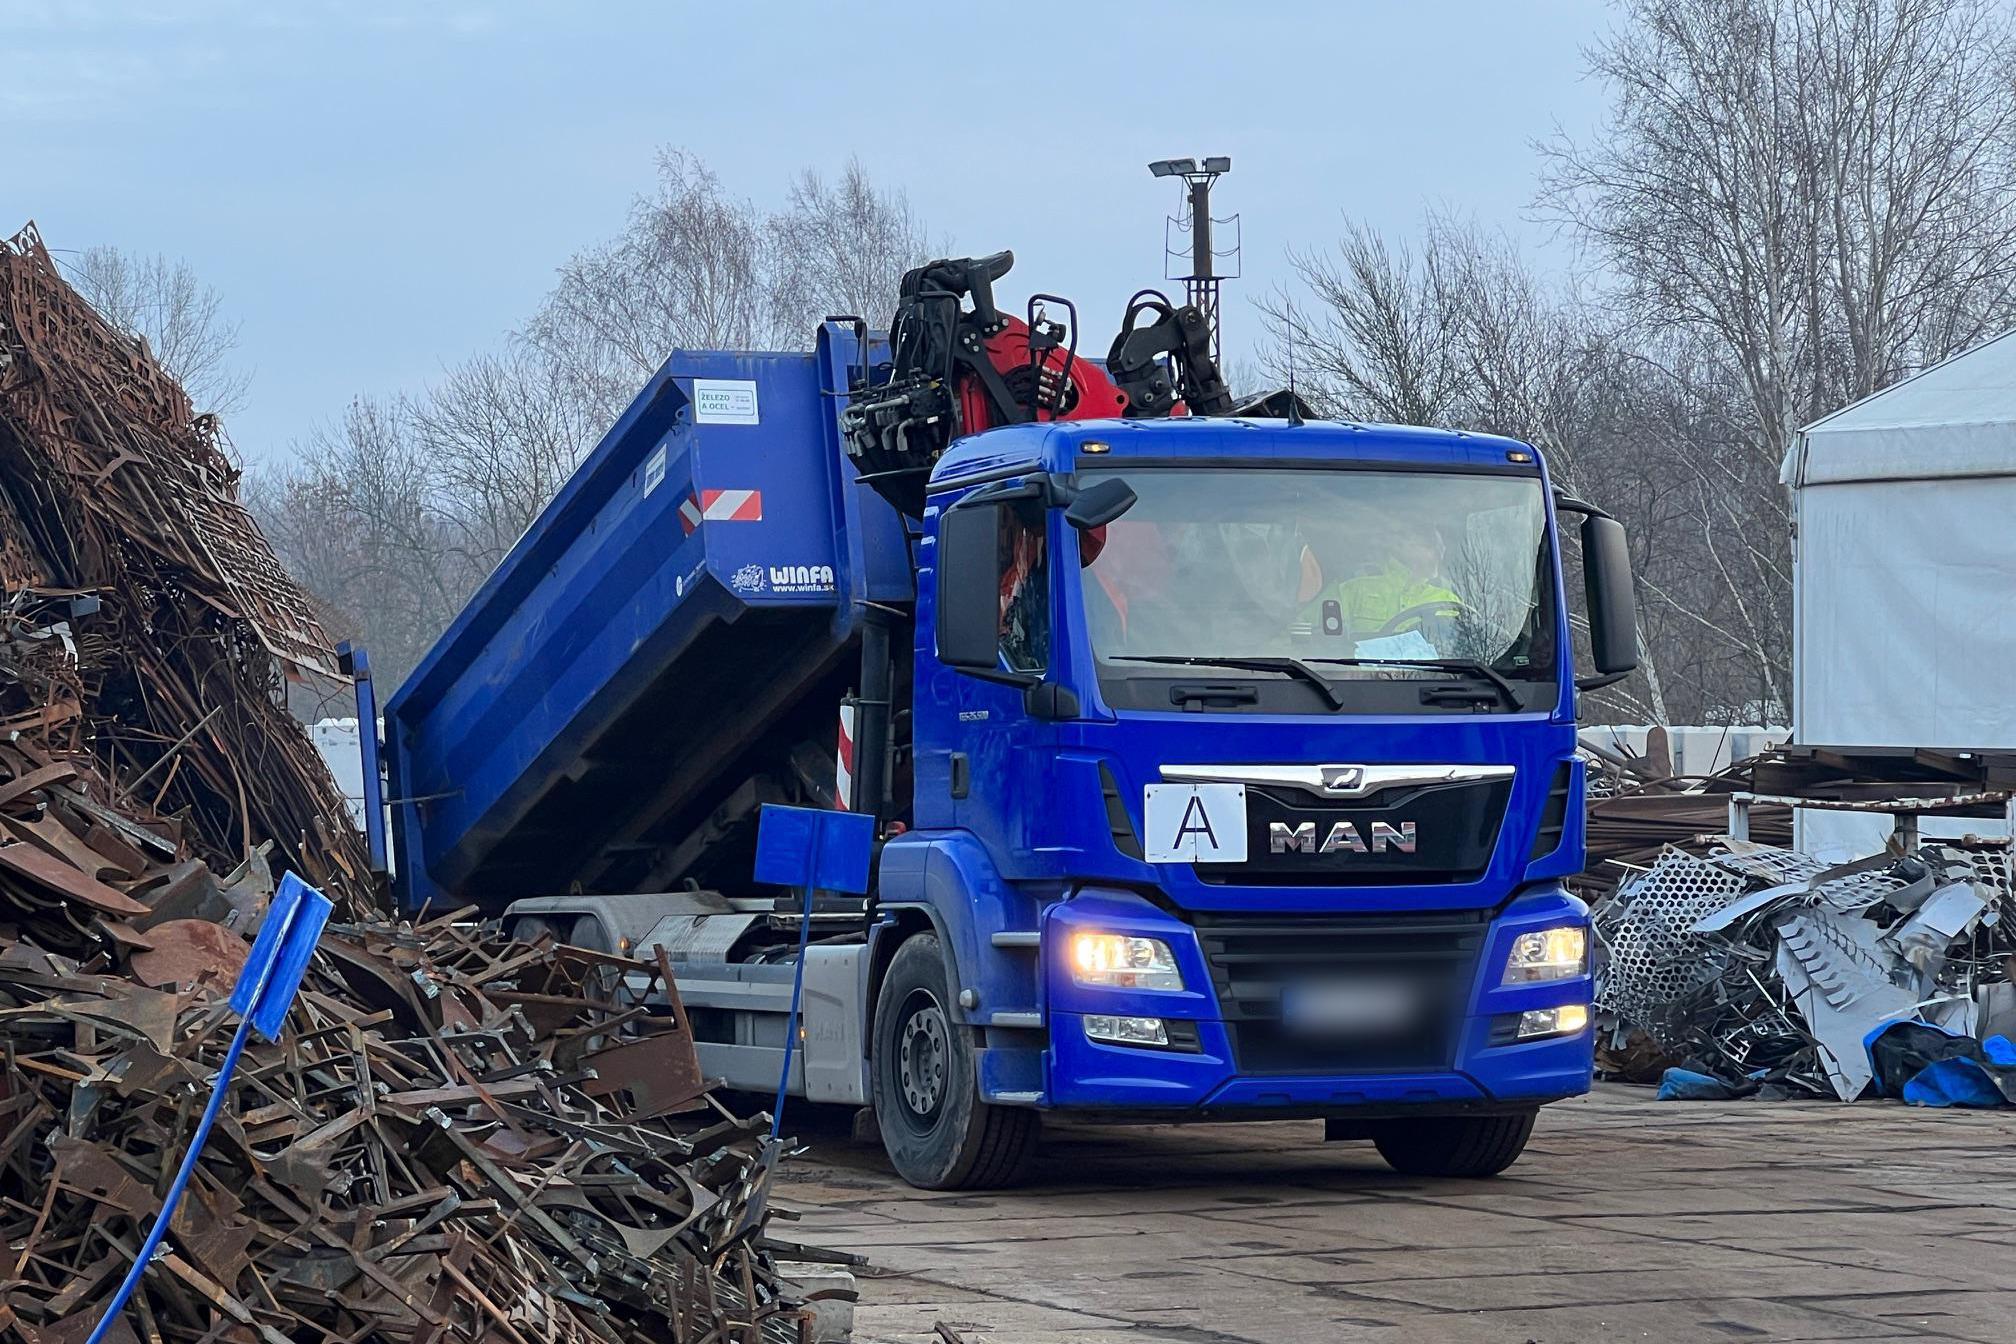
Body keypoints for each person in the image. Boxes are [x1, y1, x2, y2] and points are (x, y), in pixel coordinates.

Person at [1295, 521, 1461, 644]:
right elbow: (1296, 634)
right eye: (1431, 545)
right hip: (1353, 687)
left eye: (1442, 547)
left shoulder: (1448, 601)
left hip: (1433, 686)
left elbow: (1463, 652)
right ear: (1402, 545)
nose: (1441, 552)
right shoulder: (1354, 586)